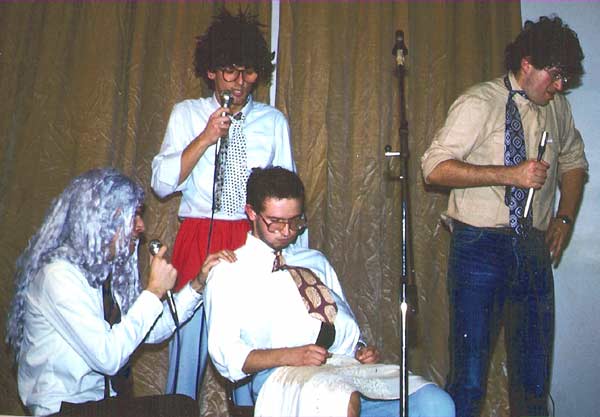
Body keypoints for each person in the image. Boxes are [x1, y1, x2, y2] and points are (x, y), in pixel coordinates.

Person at [421, 16, 587, 417]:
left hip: (532, 248)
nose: (560, 86)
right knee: (470, 378)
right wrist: (509, 175)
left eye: (564, 77)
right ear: (527, 64)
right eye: (555, 74)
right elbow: (434, 168)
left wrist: (564, 218)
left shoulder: (557, 108)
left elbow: (574, 162)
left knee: (533, 381)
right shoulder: (479, 103)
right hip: (479, 247)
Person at [205, 166, 455, 417]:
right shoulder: (230, 271)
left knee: (435, 402)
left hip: (342, 367)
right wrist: (291, 355)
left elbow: (341, 322)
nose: (287, 231)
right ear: (251, 213)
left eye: (295, 221)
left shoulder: (314, 261)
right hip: (279, 375)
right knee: (341, 398)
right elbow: (227, 356)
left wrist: (360, 350)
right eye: (276, 222)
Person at [151, 9, 302, 399]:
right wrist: (205, 137)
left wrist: (294, 260)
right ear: (211, 72)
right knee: (187, 350)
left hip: (251, 239)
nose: (239, 82)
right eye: (230, 72)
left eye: (248, 72)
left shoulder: (272, 121)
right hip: (198, 233)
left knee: (249, 352)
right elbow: (162, 185)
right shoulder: (187, 114)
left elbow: (288, 195)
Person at [5, 168, 234, 416]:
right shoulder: (58, 276)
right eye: (133, 215)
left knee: (181, 405)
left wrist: (197, 284)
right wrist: (153, 291)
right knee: (177, 408)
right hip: (63, 409)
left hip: (100, 405)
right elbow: (109, 357)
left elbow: (150, 331)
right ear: (104, 219)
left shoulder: (105, 272)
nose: (141, 226)